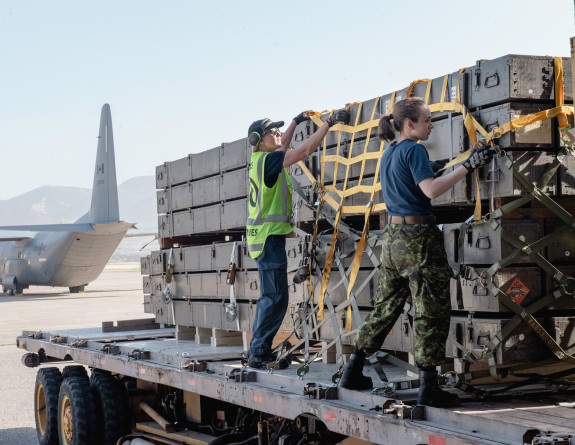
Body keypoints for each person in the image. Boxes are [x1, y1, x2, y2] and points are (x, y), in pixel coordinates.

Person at [338, 97, 494, 407]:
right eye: (426, 120)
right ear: (410, 125)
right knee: (431, 312)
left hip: (394, 239)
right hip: (418, 240)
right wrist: (468, 165)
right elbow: (431, 191)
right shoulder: (414, 149)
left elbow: (413, 180)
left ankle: (352, 370)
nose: (431, 125)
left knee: (385, 307)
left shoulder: (391, 152)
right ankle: (428, 388)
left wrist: (441, 167)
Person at [246, 109, 351, 369]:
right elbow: (302, 152)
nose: (278, 134)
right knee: (274, 298)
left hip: (266, 240)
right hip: (268, 240)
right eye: (273, 132)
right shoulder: (268, 161)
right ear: (260, 139)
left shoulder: (262, 159)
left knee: (274, 297)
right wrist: (328, 124)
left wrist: (296, 120)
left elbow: (285, 145)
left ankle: (259, 350)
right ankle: (258, 352)